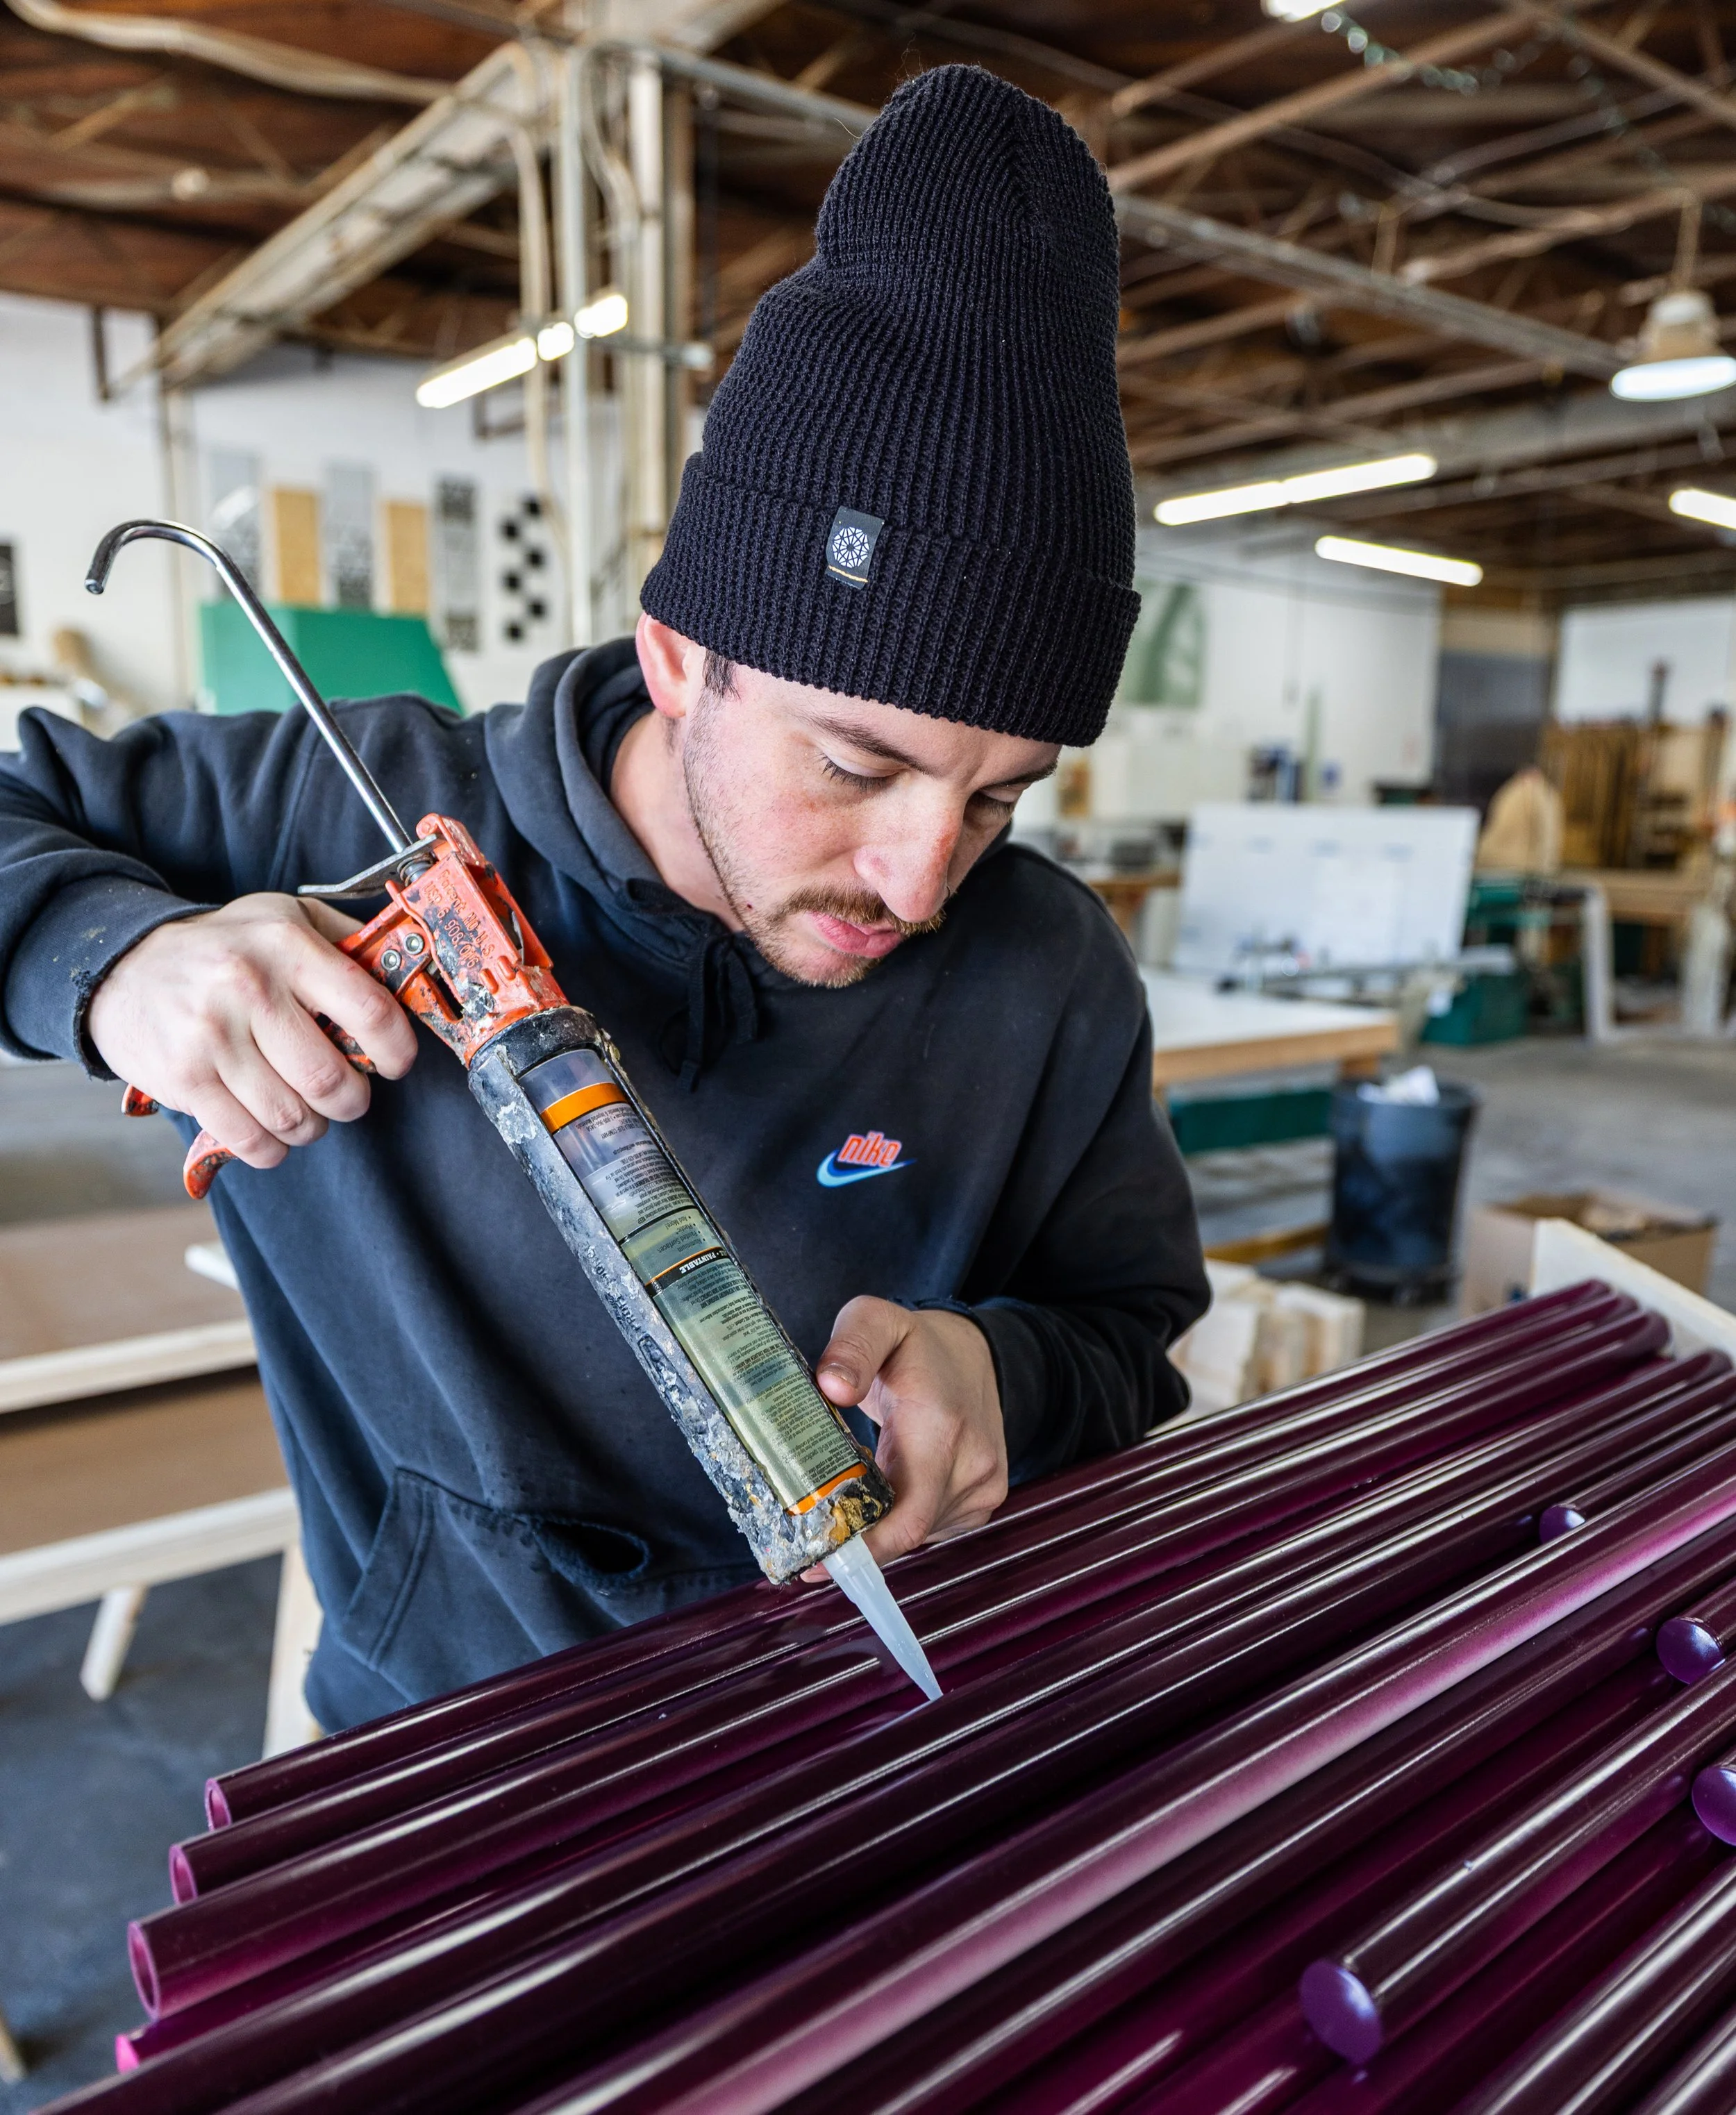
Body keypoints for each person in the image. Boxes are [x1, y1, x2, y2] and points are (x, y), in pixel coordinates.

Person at [0, 64, 1208, 1730]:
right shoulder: (335, 804)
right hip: (437, 1739)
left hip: (858, 1725)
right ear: (678, 657)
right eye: (852, 766)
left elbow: (1126, 1331)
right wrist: (112, 959)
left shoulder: (1050, 969)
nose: (923, 877)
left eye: (999, 795)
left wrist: (1004, 1375)